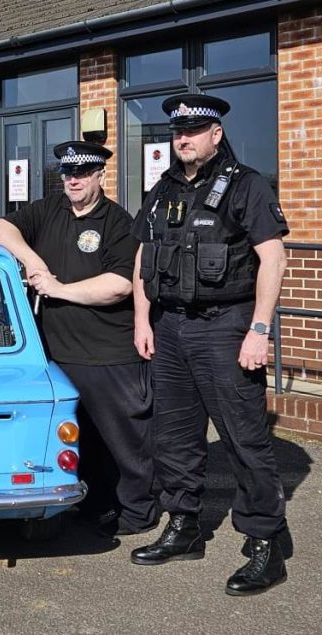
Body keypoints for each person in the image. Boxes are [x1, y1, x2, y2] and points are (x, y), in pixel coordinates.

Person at [130, 94, 289, 596]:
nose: (184, 138)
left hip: (227, 326)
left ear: (215, 134)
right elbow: (142, 258)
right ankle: (184, 527)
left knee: (244, 439)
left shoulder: (246, 186)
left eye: (194, 131)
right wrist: (142, 320)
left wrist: (259, 330)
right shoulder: (163, 188)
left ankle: (265, 543)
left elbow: (274, 258)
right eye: (178, 131)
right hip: (170, 326)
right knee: (174, 437)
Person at [0, 141, 156, 537]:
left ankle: (138, 511)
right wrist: (31, 259)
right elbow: (0, 228)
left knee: (124, 441)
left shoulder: (118, 222)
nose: (73, 180)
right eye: (67, 173)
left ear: (100, 175)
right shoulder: (51, 209)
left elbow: (117, 286)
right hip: (56, 353)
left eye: (82, 173)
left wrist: (56, 288)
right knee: (81, 438)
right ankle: (93, 505)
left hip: (107, 352)